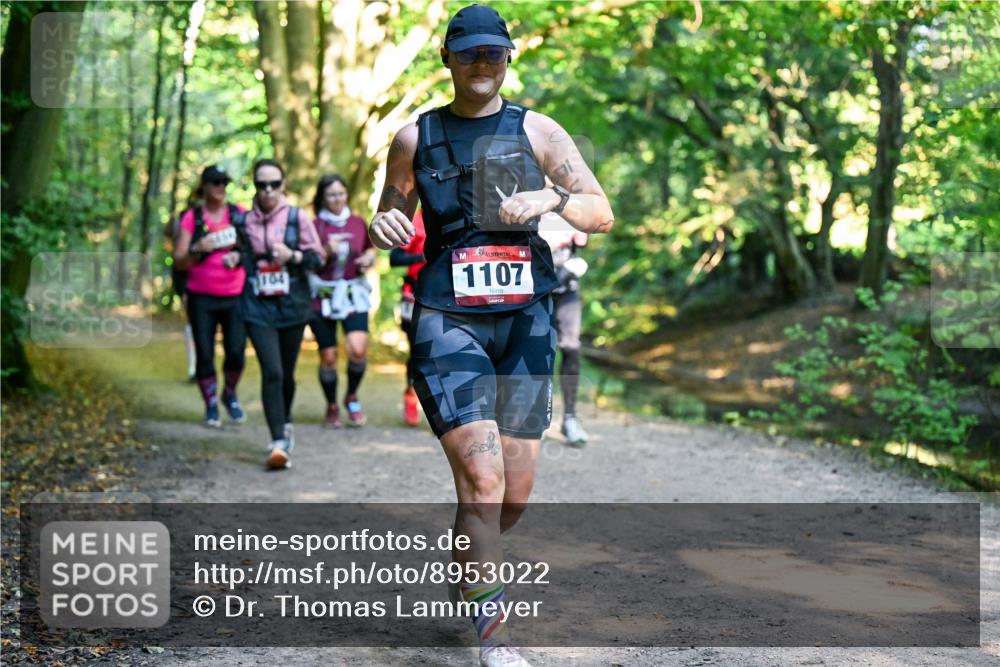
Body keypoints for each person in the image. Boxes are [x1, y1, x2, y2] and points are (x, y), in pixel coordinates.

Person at [368, 5, 614, 666]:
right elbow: (390, 212)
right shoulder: (414, 138)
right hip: (448, 319)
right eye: (469, 53)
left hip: (526, 319)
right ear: (447, 59)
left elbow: (601, 211)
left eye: (494, 53)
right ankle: (494, 636)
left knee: (511, 496)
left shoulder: (538, 130)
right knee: (480, 482)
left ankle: (470, 562)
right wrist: (381, 226)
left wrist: (552, 201)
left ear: (508, 58)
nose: (482, 64)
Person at [234, 159, 326, 469]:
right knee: (271, 370)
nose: (269, 190)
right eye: (262, 184)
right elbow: (240, 251)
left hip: (293, 304)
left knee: (286, 373)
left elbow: (318, 258)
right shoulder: (244, 221)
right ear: (256, 187)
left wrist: (294, 255)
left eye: (274, 184)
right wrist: (236, 256)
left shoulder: (298, 218)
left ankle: (285, 420)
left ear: (283, 184)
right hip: (256, 305)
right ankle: (277, 441)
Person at [171, 165, 248, 428]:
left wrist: (239, 256)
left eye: (224, 183)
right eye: (215, 182)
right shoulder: (192, 218)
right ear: (204, 186)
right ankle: (211, 404)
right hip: (201, 297)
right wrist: (197, 248)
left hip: (235, 295)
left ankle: (230, 394)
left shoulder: (239, 214)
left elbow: (255, 250)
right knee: (204, 353)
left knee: (236, 352)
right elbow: (179, 261)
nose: (220, 187)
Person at [308, 174, 376, 428]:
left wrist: (369, 259)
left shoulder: (358, 222)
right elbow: (305, 263)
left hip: (353, 294)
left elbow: (370, 249)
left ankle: (351, 396)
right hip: (322, 296)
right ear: (322, 198)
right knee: (328, 357)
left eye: (340, 194)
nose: (337, 199)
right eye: (331, 195)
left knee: (357, 350)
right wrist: (325, 251)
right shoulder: (314, 226)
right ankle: (331, 405)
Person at [538, 224, 590, 446]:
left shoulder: (569, 204)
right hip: (537, 290)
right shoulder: (529, 198)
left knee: (571, 347)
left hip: (566, 289)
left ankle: (569, 418)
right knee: (538, 350)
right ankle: (537, 416)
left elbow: (583, 239)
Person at [388, 209, 426, 427]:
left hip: (446, 293)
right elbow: (395, 258)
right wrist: (423, 255)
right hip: (413, 292)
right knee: (417, 348)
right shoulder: (415, 220)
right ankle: (411, 393)